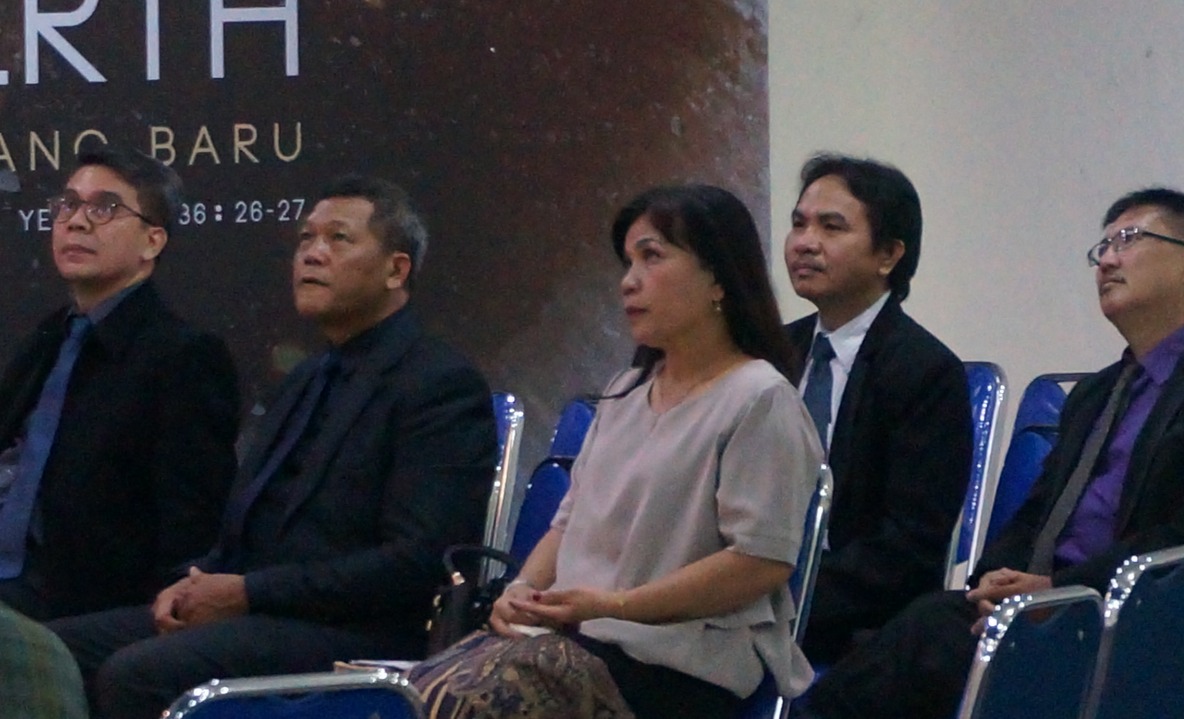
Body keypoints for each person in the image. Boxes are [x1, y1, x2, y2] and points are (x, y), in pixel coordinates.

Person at [795, 188, 1184, 719]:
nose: (1107, 260)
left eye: (1128, 240)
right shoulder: (1096, 393)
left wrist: (1060, 591)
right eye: (1102, 248)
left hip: (1135, 627)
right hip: (1045, 608)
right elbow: (1037, 514)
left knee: (922, 647)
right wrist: (992, 582)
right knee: (924, 625)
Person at [48, 175, 497, 719]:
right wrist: (193, 583)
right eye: (306, 239)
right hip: (260, 610)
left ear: (395, 270)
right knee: (44, 654)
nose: (312, 254)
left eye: (338, 239)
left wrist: (250, 593)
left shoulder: (438, 385)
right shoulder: (306, 377)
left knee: (137, 674)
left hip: (356, 630)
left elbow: (416, 563)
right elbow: (246, 525)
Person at [414, 185, 823, 719]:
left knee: (460, 703)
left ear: (719, 278)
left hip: (680, 666)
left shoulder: (760, 398)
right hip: (577, 641)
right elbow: (567, 524)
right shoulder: (625, 391)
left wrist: (616, 606)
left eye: (652, 257)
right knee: (409, 694)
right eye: (628, 262)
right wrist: (521, 590)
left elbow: (759, 563)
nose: (629, 281)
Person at [0, 147, 239, 620]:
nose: (76, 222)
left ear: (152, 240)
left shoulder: (183, 356)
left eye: (104, 208)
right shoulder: (48, 339)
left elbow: (190, 524)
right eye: (68, 204)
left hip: (79, 601)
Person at [783, 154, 972, 663]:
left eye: (831, 227)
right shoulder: (771, 354)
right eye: (799, 223)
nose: (804, 242)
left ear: (888, 255)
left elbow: (908, 550)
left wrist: (786, 598)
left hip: (851, 622)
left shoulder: (925, 372)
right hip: (745, 600)